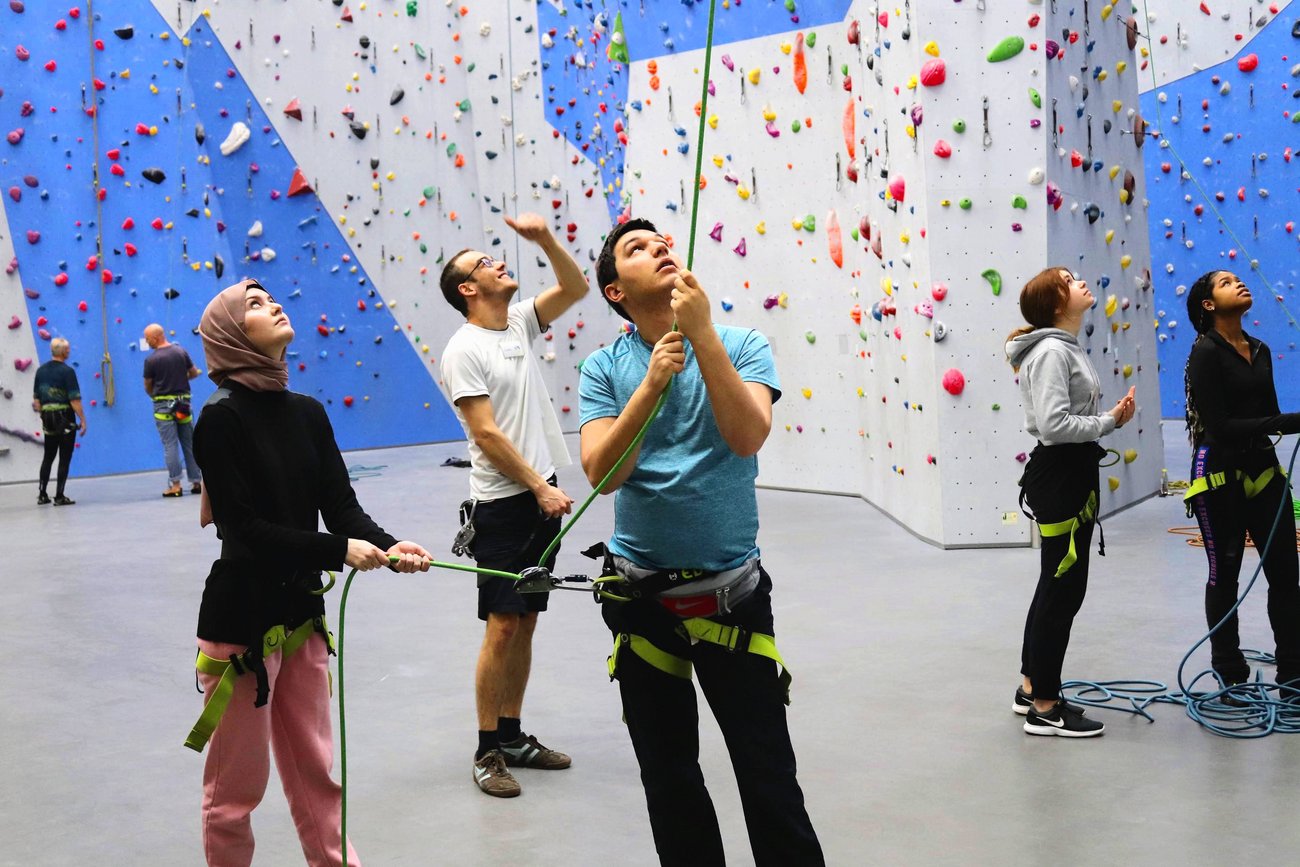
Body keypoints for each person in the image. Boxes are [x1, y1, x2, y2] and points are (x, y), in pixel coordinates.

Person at [578, 218, 823, 866]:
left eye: (661, 241)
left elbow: (747, 436)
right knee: (670, 781)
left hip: (731, 598)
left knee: (769, 778)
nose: (659, 247)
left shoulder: (741, 343)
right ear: (614, 292)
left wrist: (704, 335)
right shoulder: (604, 368)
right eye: (636, 248)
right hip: (641, 602)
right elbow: (603, 474)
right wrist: (651, 384)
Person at [189, 278, 432, 866]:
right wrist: (337, 550)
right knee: (235, 791)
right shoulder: (219, 420)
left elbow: (340, 506)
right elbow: (244, 529)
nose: (273, 303)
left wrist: (390, 544)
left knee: (316, 774)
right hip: (242, 624)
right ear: (230, 334)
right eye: (254, 304)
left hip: (302, 617)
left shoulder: (308, 413)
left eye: (270, 296)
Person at [437, 213, 587, 798]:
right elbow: (487, 434)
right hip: (503, 505)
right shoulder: (463, 350)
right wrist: (539, 487)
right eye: (483, 263)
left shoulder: (519, 322)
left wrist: (546, 238)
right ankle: (486, 749)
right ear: (468, 289)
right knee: (502, 625)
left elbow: (575, 287)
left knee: (525, 620)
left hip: (538, 499)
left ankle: (514, 734)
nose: (497, 262)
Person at [1005, 267, 1135, 738]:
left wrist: (1107, 419)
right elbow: (1055, 426)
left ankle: (1031, 688)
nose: (1081, 282)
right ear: (1057, 303)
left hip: (1069, 473)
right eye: (1069, 280)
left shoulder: (1063, 347)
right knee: (1062, 591)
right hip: (1061, 475)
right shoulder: (1052, 352)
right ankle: (1045, 707)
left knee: (1054, 585)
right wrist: (1107, 422)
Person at [1182, 269, 1300, 694]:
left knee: (1286, 576)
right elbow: (1220, 426)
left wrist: (1283, 423)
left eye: (1238, 279)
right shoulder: (1204, 353)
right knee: (1225, 575)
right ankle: (1230, 674)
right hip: (1219, 475)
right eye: (1227, 282)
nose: (1240, 283)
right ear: (1209, 304)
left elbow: (1267, 416)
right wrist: (1289, 422)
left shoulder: (1261, 349)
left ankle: (1293, 674)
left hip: (1264, 471)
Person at [143, 323, 203, 497]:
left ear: (156, 338)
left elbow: (148, 385)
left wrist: (155, 394)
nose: (147, 342)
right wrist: (181, 379)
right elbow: (193, 373)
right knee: (189, 443)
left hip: (162, 406)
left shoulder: (151, 360)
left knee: (170, 445)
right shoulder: (180, 352)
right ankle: (196, 482)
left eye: (148, 339)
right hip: (182, 405)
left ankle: (176, 485)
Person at [31, 337, 86, 506]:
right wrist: (83, 419)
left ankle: (42, 494)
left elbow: (36, 401)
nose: (69, 351)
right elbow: (74, 400)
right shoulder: (67, 372)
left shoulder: (40, 371)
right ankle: (59, 495)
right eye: (67, 349)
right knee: (64, 457)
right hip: (65, 418)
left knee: (48, 457)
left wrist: (45, 415)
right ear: (63, 352)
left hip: (48, 418)